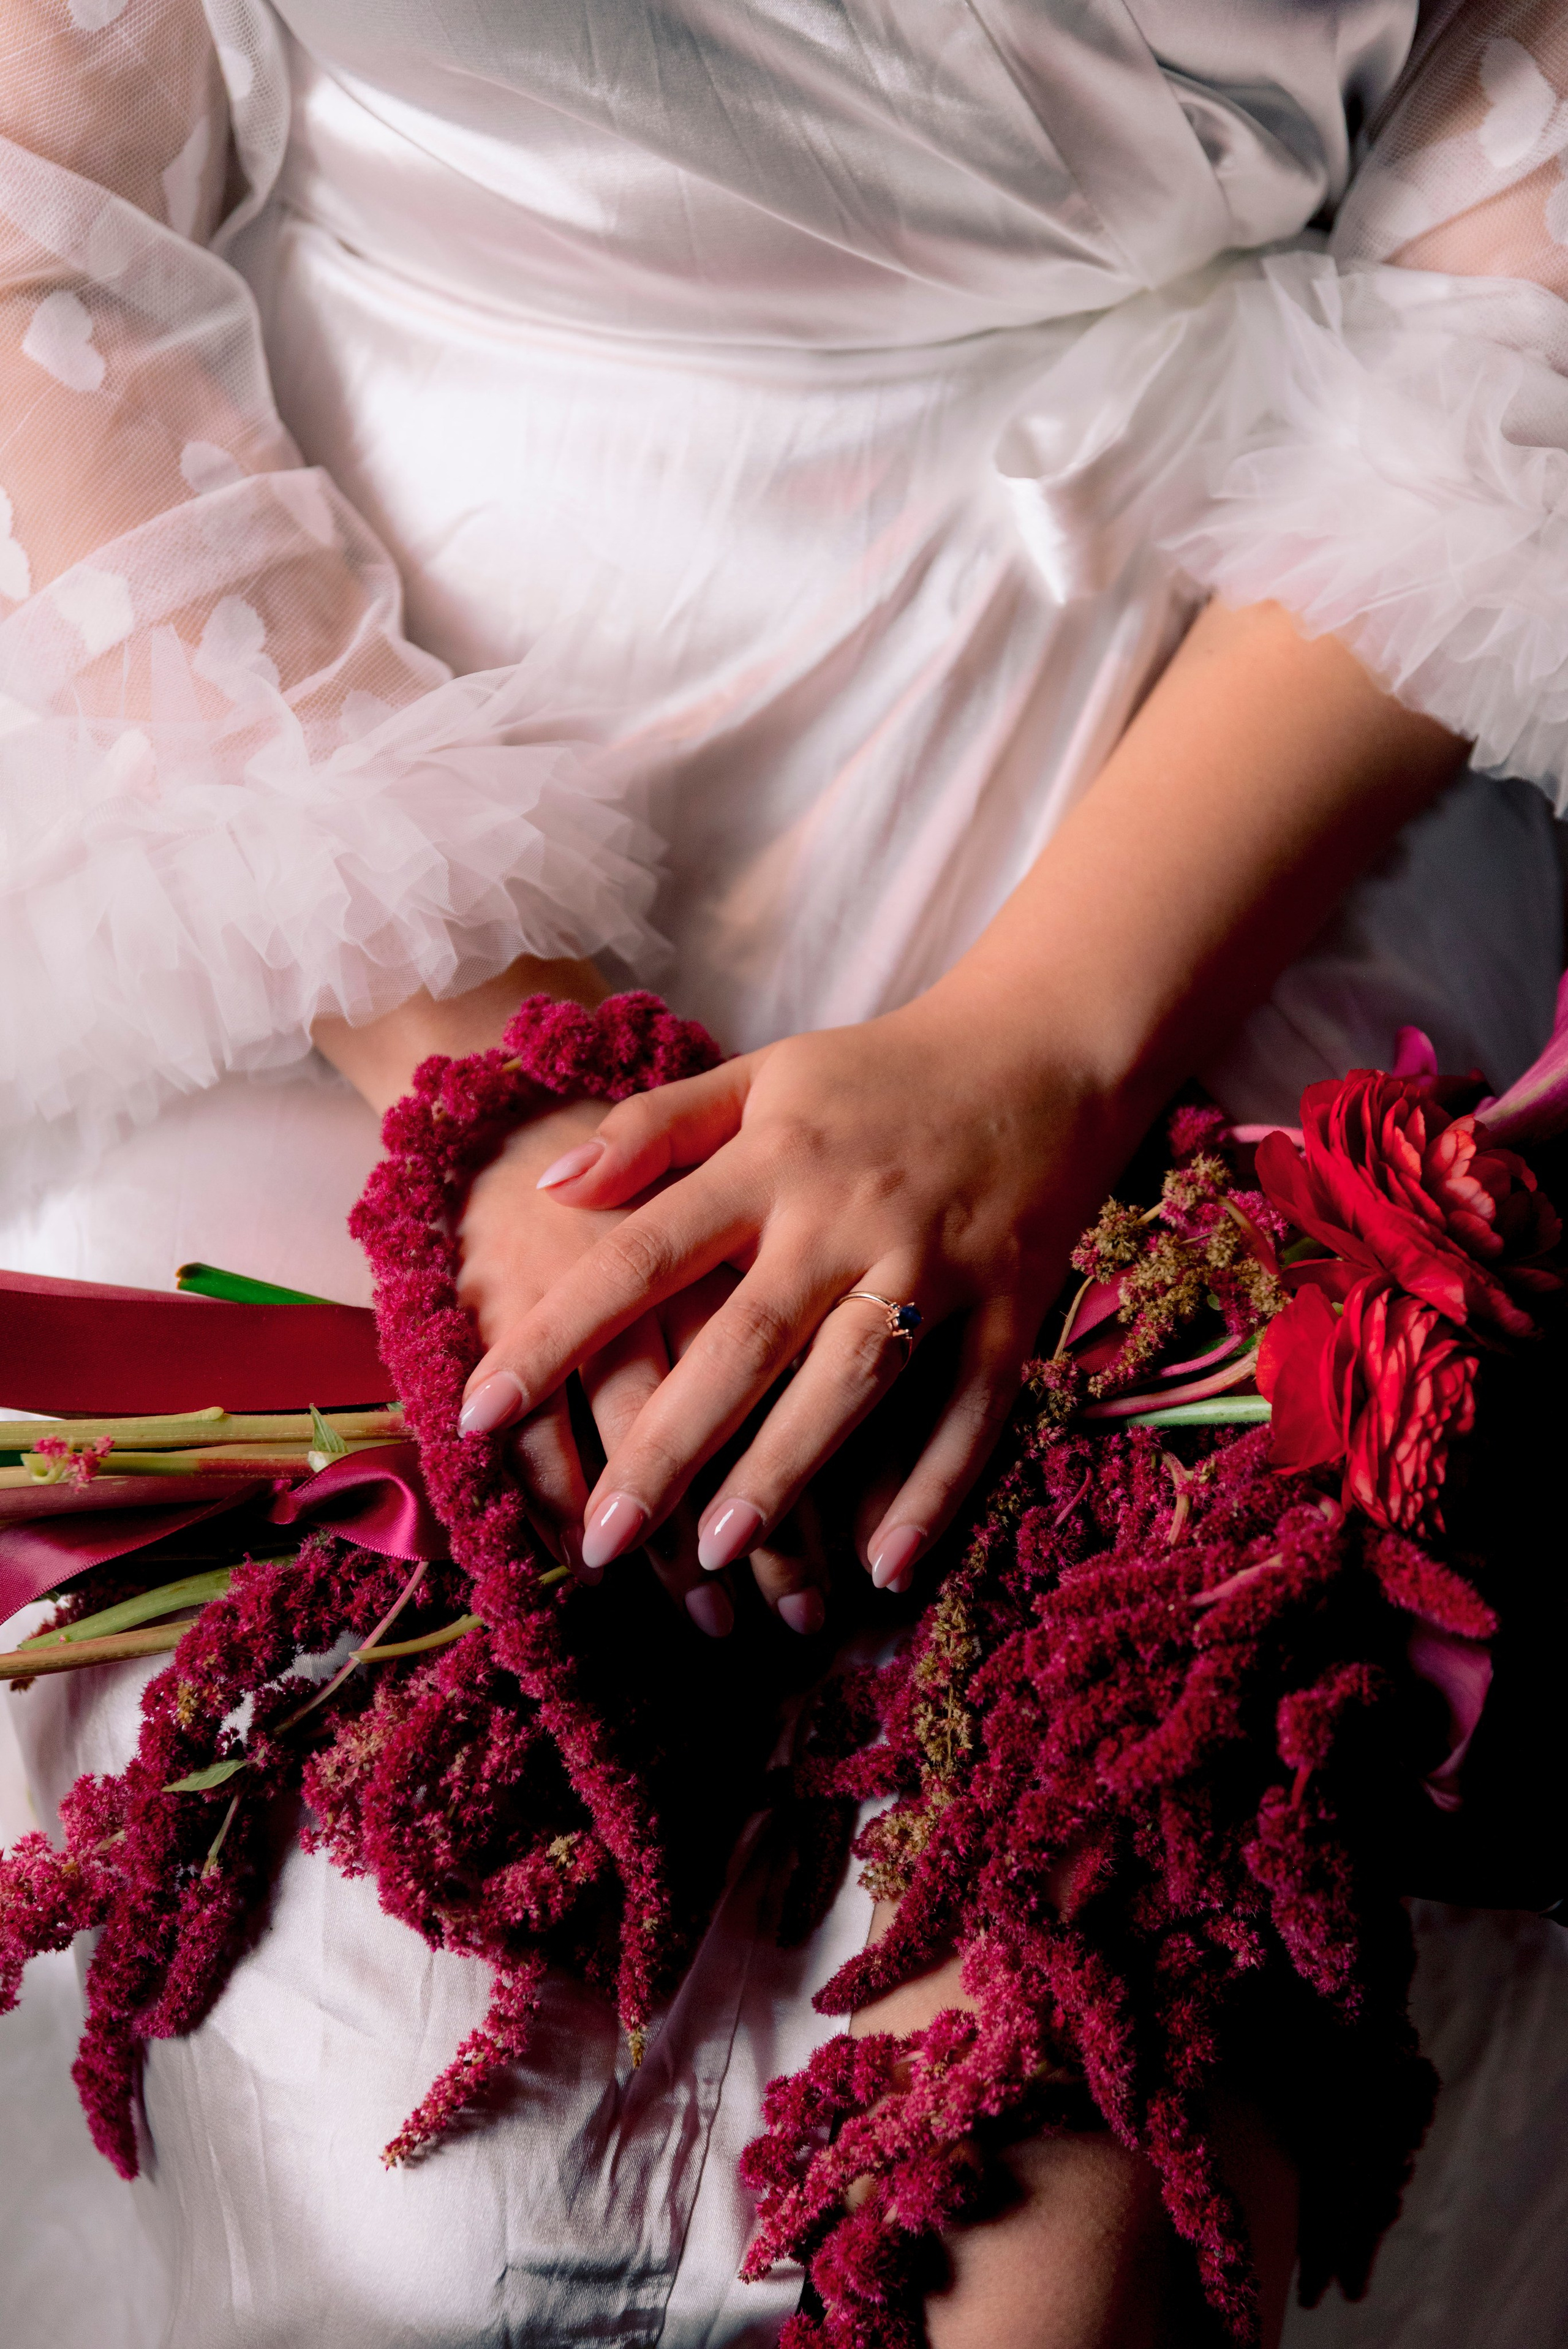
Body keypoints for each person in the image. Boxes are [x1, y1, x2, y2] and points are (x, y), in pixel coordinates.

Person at [2, 2, 1568, 2342]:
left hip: (1236, 750)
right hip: (341, 766)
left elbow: (1515, 278)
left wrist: (1033, 1055)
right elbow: (46, 215)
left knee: (1072, 2172)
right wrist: (510, 1085)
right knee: (345, 2161)